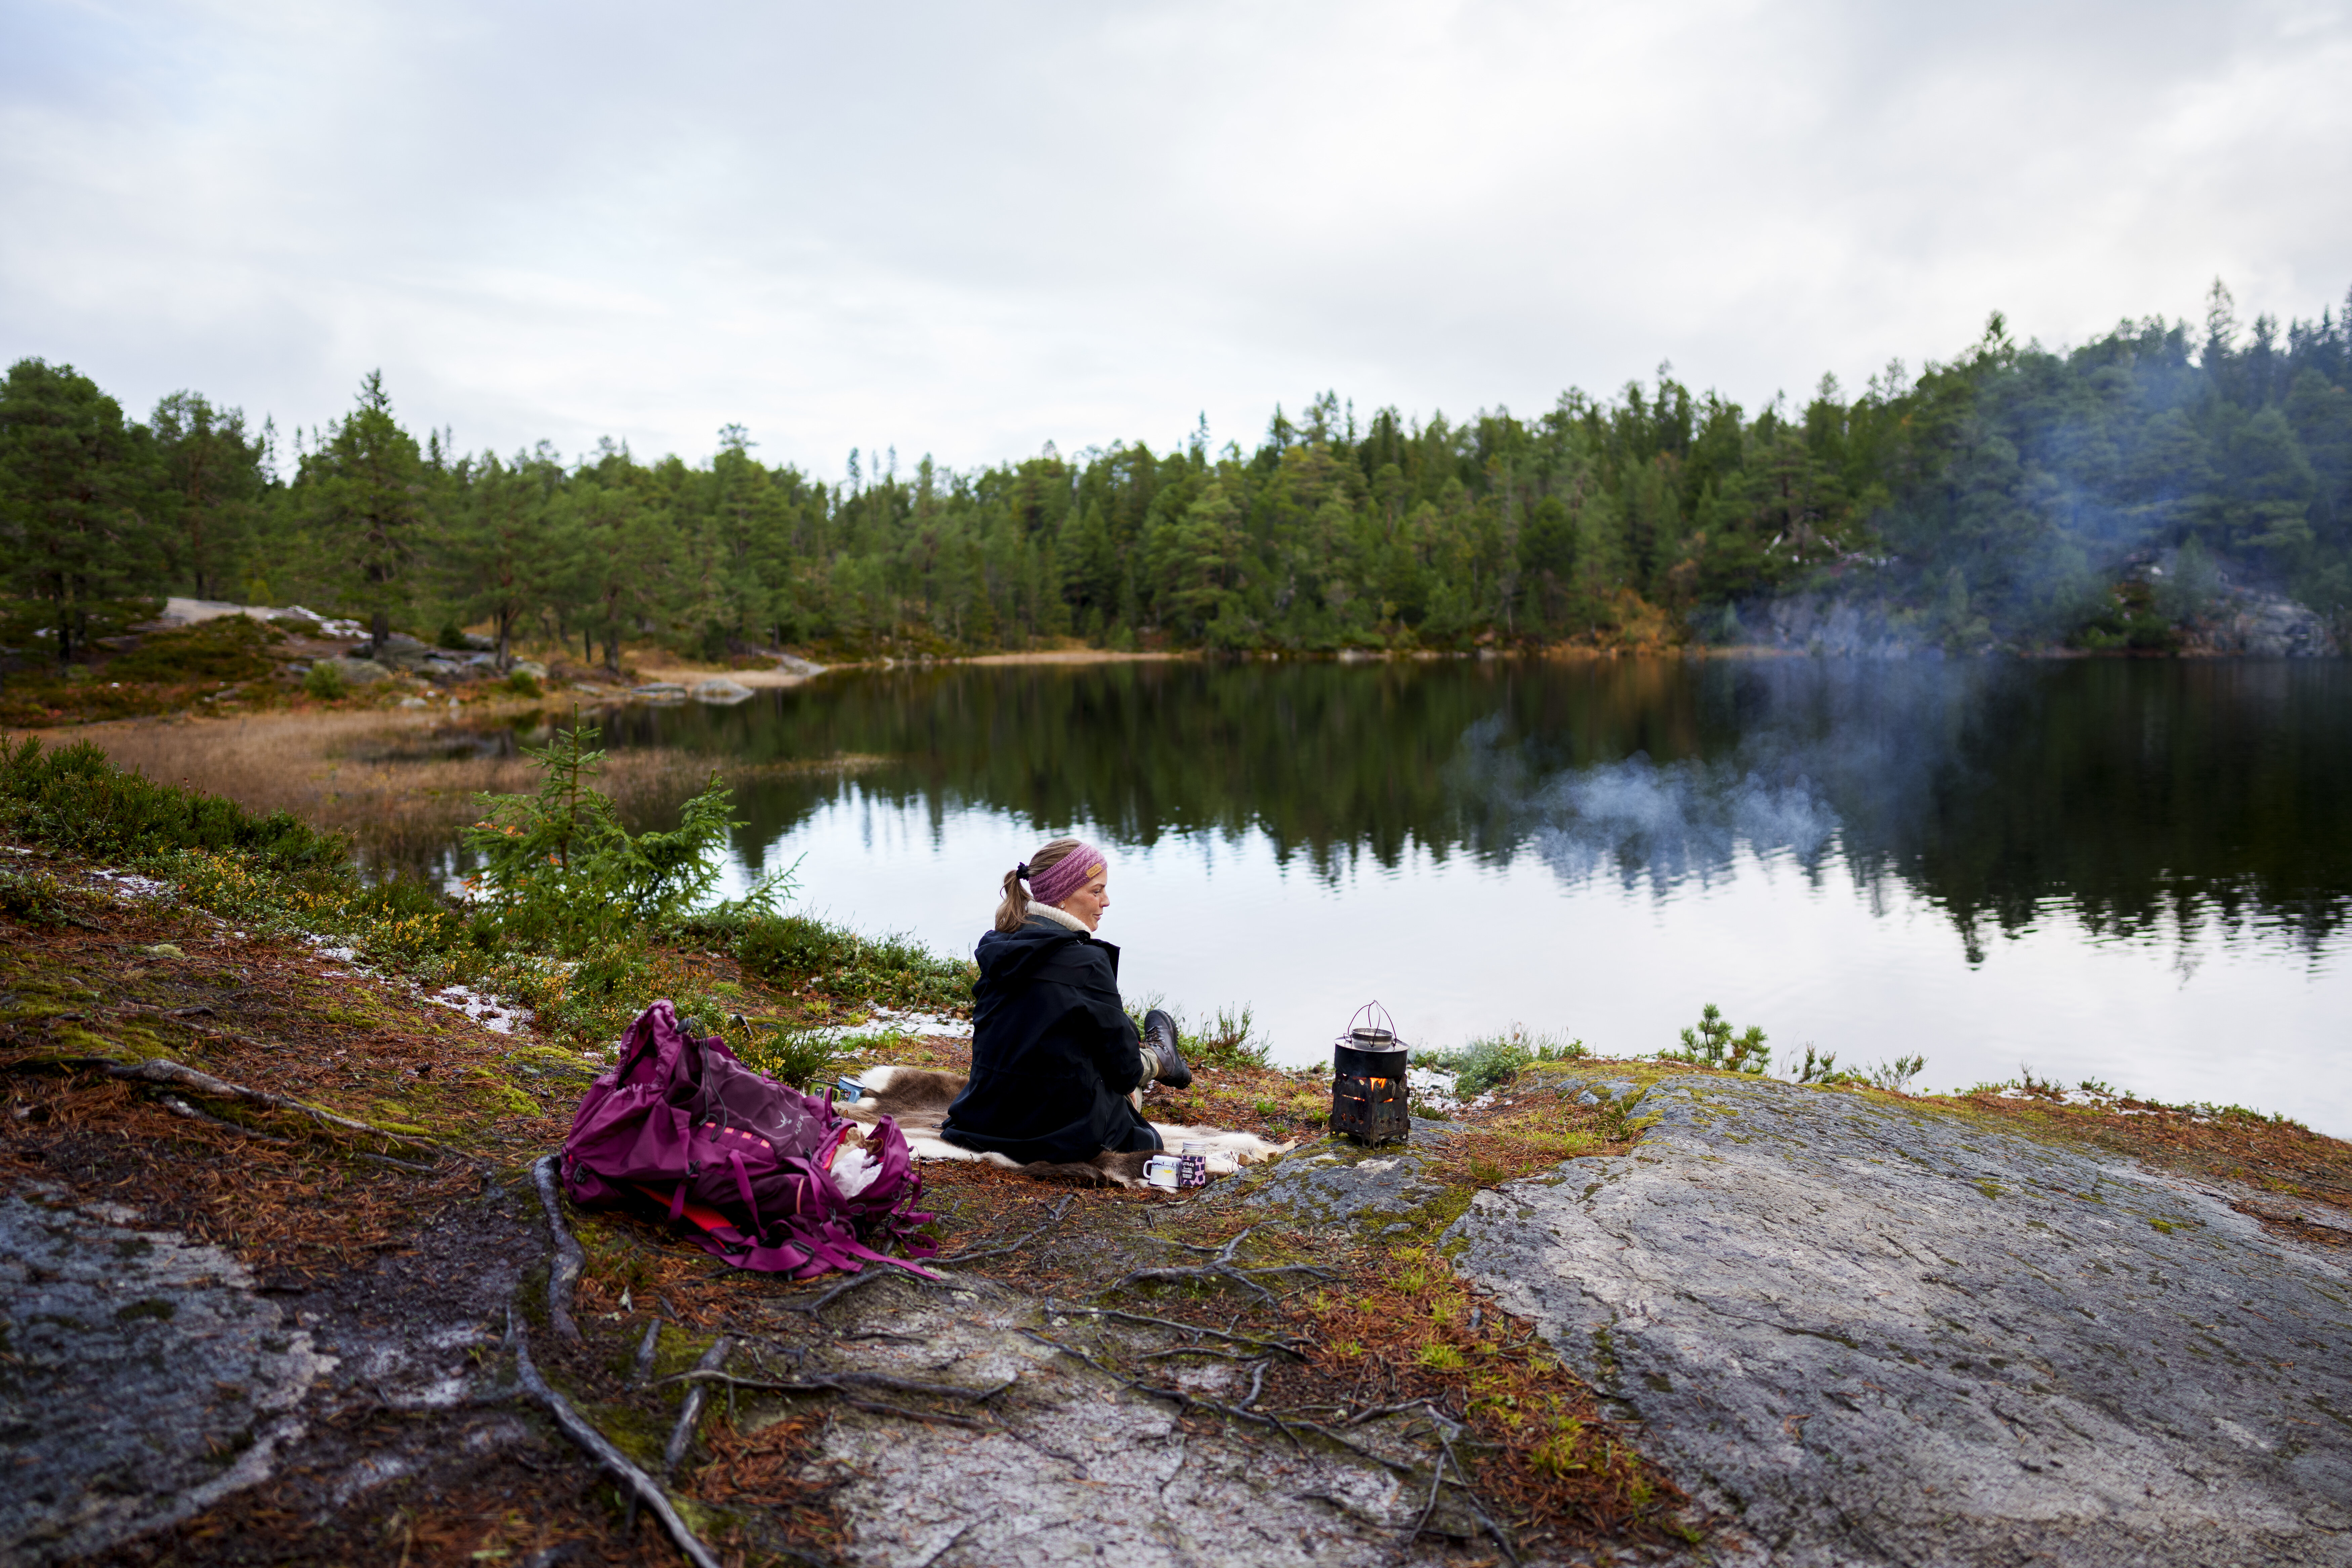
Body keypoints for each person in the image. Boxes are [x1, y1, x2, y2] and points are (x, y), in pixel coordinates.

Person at [939, 837, 1192, 1166]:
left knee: (1090, 1033)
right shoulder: (1085, 963)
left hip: (984, 1123)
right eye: (1096, 891)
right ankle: (1160, 1059)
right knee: (1127, 1080)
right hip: (1061, 1135)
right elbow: (1124, 1071)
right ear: (1062, 896)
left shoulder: (1000, 949)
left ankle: (1158, 1056)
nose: (1106, 902)